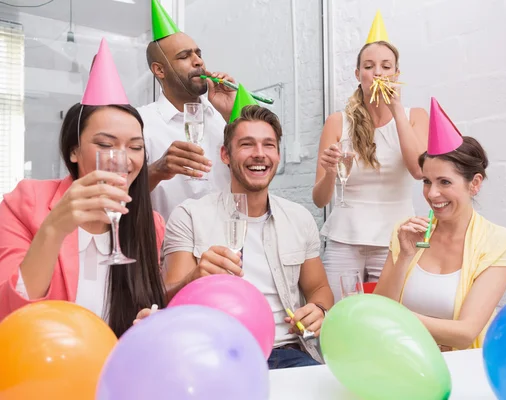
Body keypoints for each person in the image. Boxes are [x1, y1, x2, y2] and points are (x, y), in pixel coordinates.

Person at [0, 39, 166, 337]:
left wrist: (144, 326)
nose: (123, 160)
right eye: (105, 145)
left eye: (136, 147)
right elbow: (9, 314)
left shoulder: (149, 224)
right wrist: (54, 228)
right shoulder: (26, 202)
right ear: (73, 150)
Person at [160, 104, 334, 369]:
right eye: (247, 144)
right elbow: (167, 300)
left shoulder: (299, 219)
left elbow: (319, 289)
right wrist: (195, 278)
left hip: (287, 351)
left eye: (269, 145)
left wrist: (319, 310)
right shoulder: (190, 216)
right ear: (225, 155)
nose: (259, 154)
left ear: (278, 155)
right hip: (219, 354)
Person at [374, 98, 506, 351]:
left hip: (460, 368)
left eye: (445, 182)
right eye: (427, 182)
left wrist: (396, 318)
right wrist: (405, 257)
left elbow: (466, 333)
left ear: (474, 183)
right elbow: (379, 310)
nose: (432, 194)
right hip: (399, 359)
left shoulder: (499, 241)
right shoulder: (407, 232)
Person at [313, 12, 428, 302]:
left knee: (388, 317)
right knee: (338, 315)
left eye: (385, 66)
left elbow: (419, 170)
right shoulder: (337, 122)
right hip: (344, 238)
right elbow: (319, 199)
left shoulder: (415, 116)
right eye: (369, 66)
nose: (377, 73)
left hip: (395, 240)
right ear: (358, 75)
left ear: (396, 75)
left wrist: (396, 109)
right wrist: (329, 171)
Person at [139, 0, 237, 220]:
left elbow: (255, 169)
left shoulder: (222, 118)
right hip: (167, 250)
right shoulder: (140, 122)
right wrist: (156, 170)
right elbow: (120, 195)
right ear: (159, 70)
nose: (198, 62)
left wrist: (232, 114)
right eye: (184, 56)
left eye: (198, 54)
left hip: (225, 244)